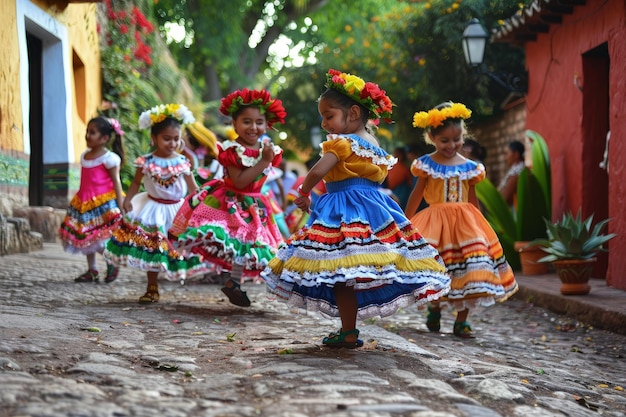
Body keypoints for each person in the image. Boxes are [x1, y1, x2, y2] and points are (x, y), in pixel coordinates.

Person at [261, 69, 450, 349]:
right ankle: (349, 329)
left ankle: (349, 330)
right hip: (374, 210)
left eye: (329, 116)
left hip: (345, 209)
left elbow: (318, 170)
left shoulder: (341, 142)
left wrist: (302, 191)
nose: (325, 123)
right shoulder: (373, 145)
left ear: (351, 113)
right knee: (353, 271)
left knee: (340, 273)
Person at [406, 102, 518, 338]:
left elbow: (472, 199)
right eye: (444, 140)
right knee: (438, 268)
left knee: (469, 270)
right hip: (436, 224)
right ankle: (434, 308)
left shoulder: (470, 168)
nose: (451, 145)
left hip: (466, 225)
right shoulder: (426, 165)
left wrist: (481, 225)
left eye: (456, 139)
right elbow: (417, 196)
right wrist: (406, 222)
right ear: (431, 137)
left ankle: (462, 321)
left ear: (463, 136)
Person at [169, 88, 287, 307]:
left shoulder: (268, 149)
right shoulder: (232, 150)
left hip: (256, 205)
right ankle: (231, 280)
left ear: (267, 124)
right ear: (234, 124)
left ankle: (235, 282)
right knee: (237, 241)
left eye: (259, 122)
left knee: (252, 244)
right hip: (232, 202)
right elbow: (240, 181)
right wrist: (263, 162)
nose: (253, 127)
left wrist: (265, 158)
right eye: (246, 121)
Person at [104, 103, 203, 304]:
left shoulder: (183, 161)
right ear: (154, 138)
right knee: (153, 248)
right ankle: (152, 286)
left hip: (177, 210)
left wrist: (199, 207)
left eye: (176, 139)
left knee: (177, 247)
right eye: (167, 138)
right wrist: (127, 199)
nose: (172, 143)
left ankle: (177, 276)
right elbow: (136, 182)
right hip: (152, 209)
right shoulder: (146, 162)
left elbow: (193, 188)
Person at [58, 117, 125, 283]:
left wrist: (120, 203)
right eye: (87, 132)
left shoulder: (110, 159)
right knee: (85, 236)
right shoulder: (84, 156)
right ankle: (92, 270)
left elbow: (116, 182)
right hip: (83, 203)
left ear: (104, 138)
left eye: (92, 133)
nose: (87, 135)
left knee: (100, 240)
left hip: (102, 204)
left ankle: (112, 261)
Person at [498, 140, 525, 209]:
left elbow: (505, 198)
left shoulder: (517, 171)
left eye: (507, 154)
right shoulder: (518, 169)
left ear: (516, 154)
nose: (505, 158)